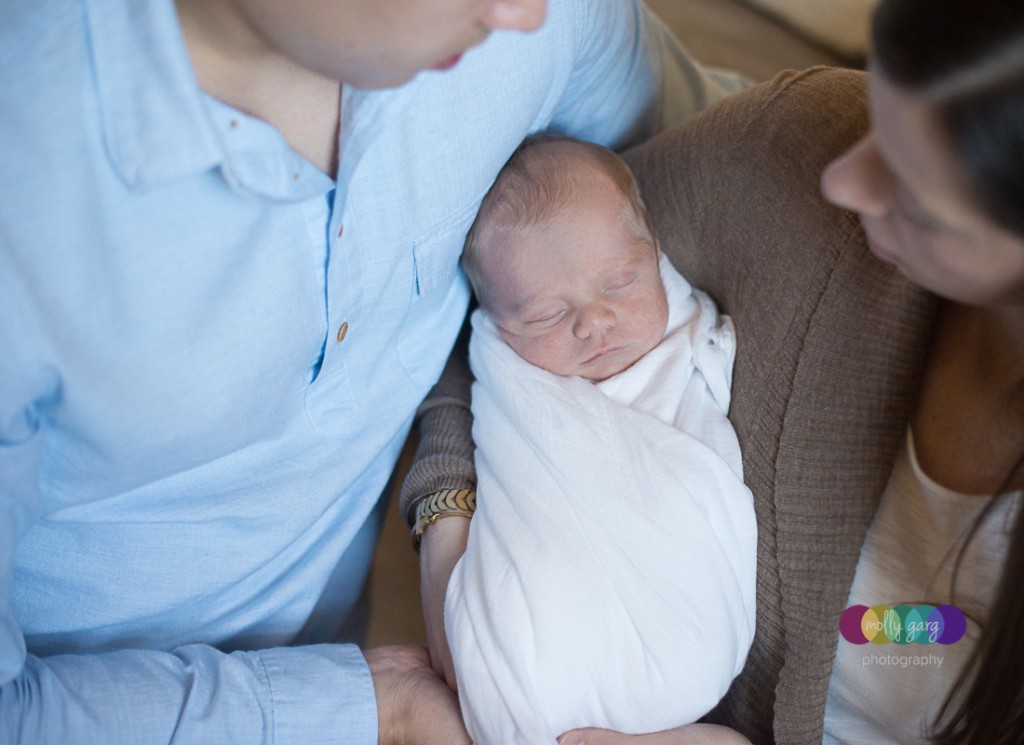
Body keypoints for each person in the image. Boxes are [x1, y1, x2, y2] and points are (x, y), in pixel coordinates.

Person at [0, 0, 750, 742]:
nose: (523, 13)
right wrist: (378, 710)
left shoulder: (538, 27)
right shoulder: (27, 186)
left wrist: (448, 490)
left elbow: (756, 157)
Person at [500, 0, 1019, 742]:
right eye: (880, 109)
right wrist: (444, 513)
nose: (843, 182)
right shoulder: (795, 150)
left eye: (911, 192)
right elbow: (505, 303)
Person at [443, 136, 756, 743]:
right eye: (545, 317)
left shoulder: (684, 330)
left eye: (619, 283)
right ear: (497, 323)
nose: (593, 322)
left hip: (679, 627)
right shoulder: (513, 374)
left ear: (656, 256)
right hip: (516, 663)